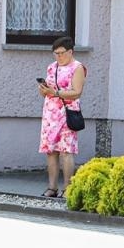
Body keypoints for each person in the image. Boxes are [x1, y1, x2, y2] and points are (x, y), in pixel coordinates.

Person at [36, 36, 85, 198]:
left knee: (66, 150)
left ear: (70, 52)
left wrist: (55, 93)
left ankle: (68, 188)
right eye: (55, 53)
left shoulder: (77, 68)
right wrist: (43, 90)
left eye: (61, 53)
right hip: (50, 113)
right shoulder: (52, 67)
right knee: (51, 151)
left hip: (67, 113)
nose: (58, 56)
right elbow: (46, 92)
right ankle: (52, 187)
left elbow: (77, 92)